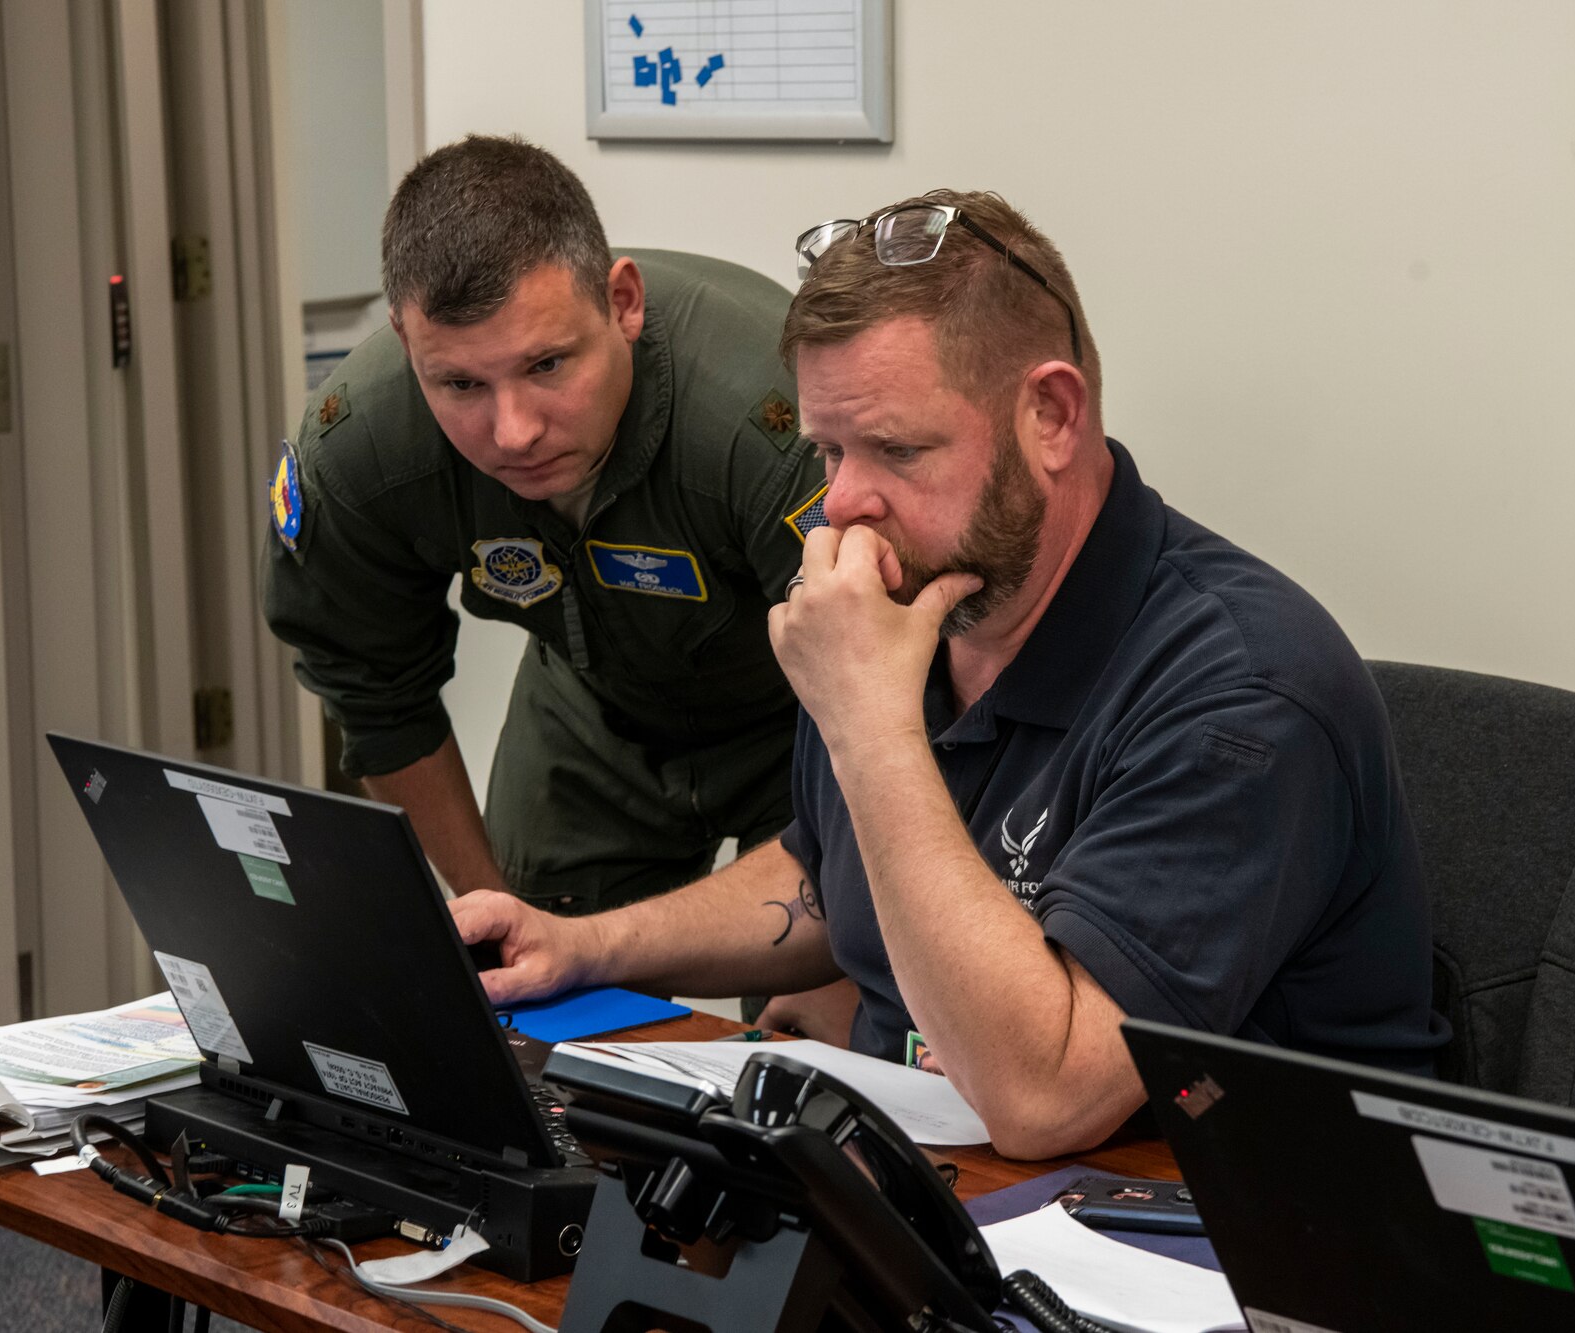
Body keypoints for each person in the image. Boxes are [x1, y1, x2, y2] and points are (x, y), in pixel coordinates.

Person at [451, 189, 1449, 1159]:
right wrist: (588, 945)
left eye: (893, 448)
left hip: (1213, 1234)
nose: (841, 504)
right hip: (935, 1179)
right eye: (828, 449)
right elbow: (834, 878)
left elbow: (1044, 1095)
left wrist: (868, 724)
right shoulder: (926, 602)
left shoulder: (1237, 694)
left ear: (1051, 416)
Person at [263, 135, 831, 921]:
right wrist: (504, 919)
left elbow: (897, 707)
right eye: (460, 382)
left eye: (547, 366)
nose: (515, 430)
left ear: (623, 303)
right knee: (534, 1009)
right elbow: (374, 698)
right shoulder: (362, 446)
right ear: (406, 342)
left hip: (806, 721)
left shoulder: (771, 419)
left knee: (814, 1019)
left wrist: (841, 961)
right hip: (591, 714)